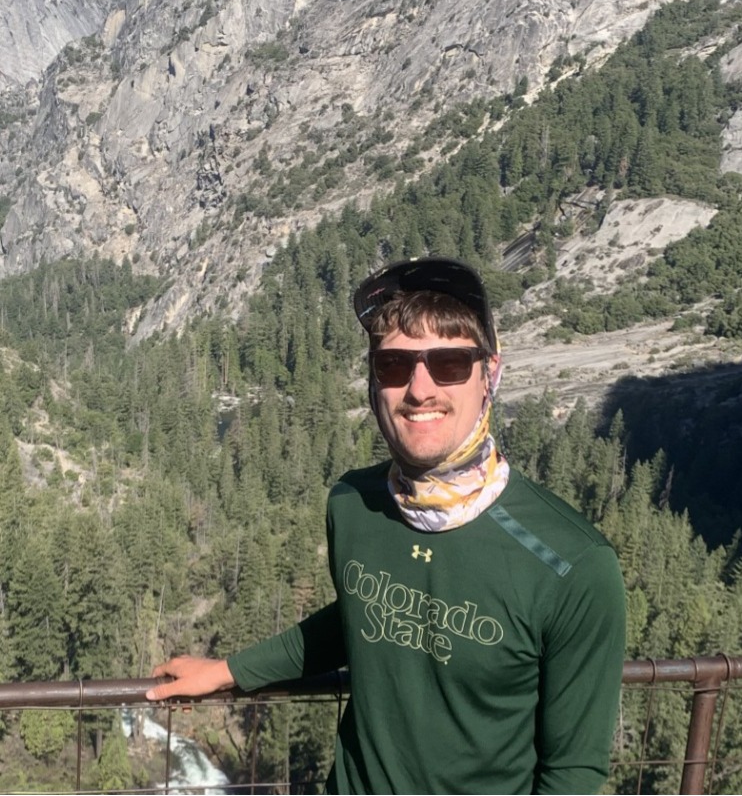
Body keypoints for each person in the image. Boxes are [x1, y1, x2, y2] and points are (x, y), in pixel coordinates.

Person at [146, 256, 626, 794]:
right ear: (375, 380)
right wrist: (228, 671)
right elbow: (361, 613)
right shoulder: (354, 504)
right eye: (395, 364)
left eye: (449, 363)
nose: (420, 389)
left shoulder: (573, 566)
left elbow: (572, 774)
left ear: (490, 373)